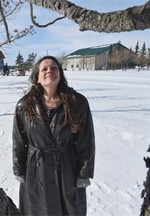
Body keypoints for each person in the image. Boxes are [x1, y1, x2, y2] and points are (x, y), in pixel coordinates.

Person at [12, 55, 95, 216]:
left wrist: (84, 174)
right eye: (44, 69)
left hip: (67, 170)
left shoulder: (77, 103)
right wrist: (19, 169)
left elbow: (86, 142)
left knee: (69, 211)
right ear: (37, 78)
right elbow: (18, 141)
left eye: (54, 68)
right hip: (36, 171)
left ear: (60, 75)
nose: (50, 70)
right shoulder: (24, 105)